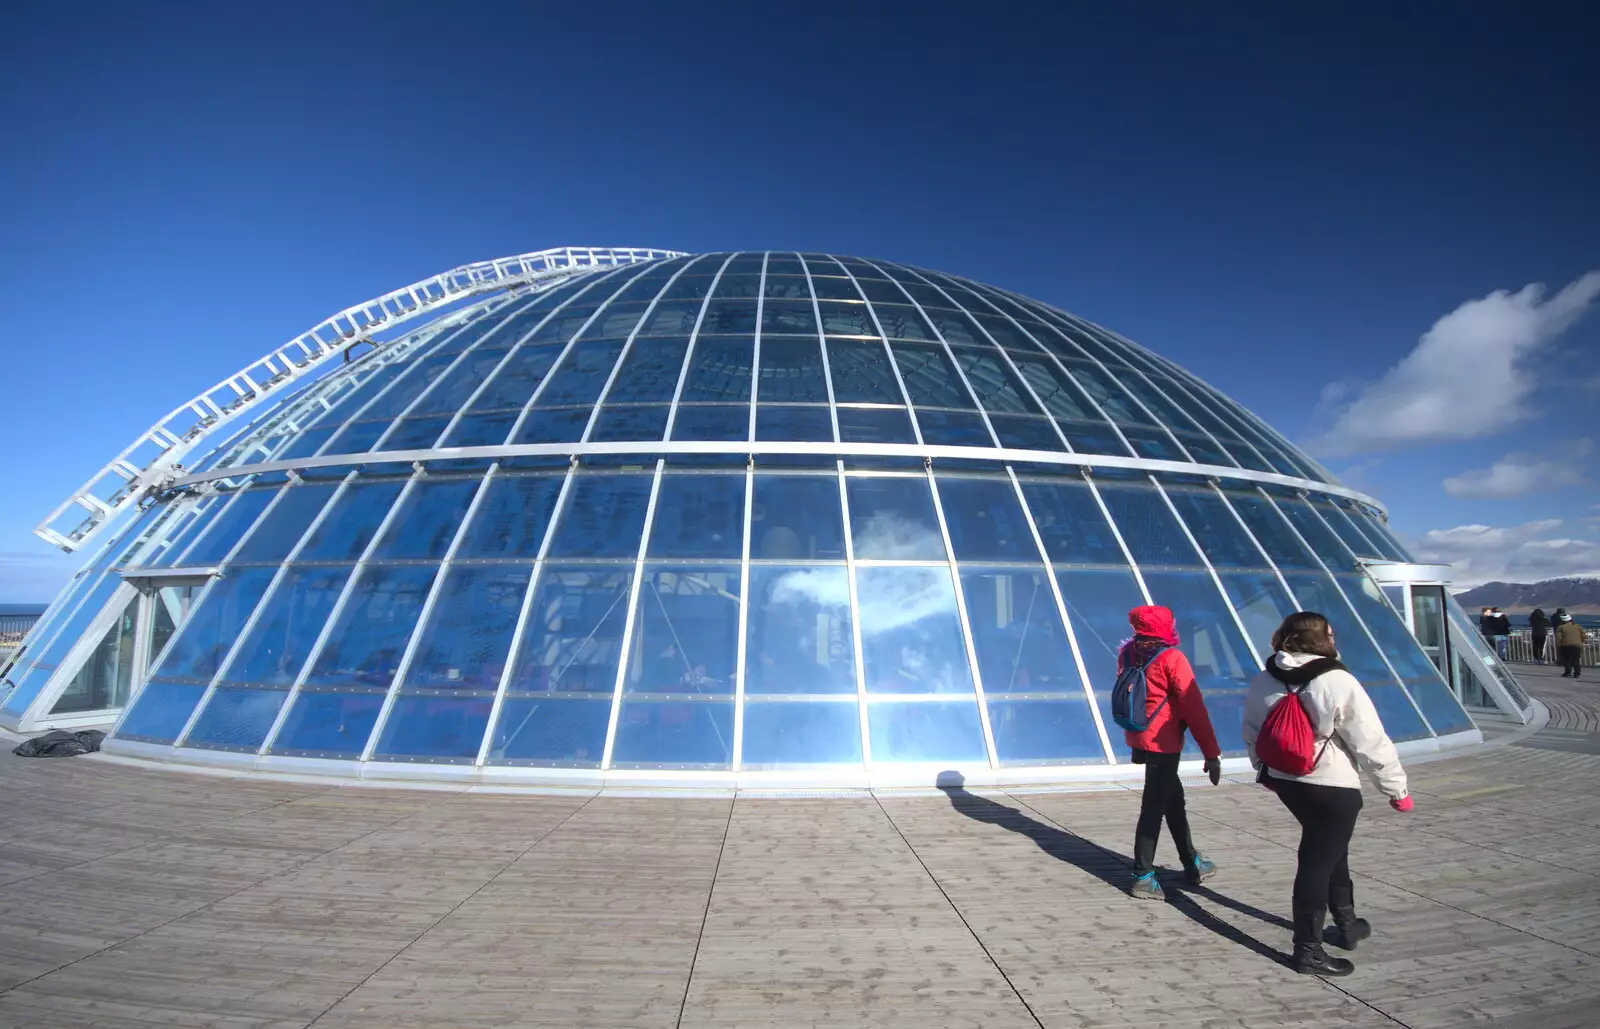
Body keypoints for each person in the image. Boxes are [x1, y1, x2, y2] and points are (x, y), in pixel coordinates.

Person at [1243, 611, 1412, 977]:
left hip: (1287, 782)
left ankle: (1347, 924)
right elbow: (1370, 740)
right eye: (1331, 635)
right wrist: (1396, 789)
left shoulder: (1263, 679)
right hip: (1331, 785)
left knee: (1329, 847)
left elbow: (1252, 732)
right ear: (1322, 639)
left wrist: (1265, 769)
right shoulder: (1337, 679)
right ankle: (1308, 950)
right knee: (1316, 861)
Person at [1119, 604, 1224, 901]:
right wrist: (1211, 753)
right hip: (1164, 742)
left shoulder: (1127, 653)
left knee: (1172, 800)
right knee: (1153, 806)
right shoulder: (1172, 658)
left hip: (1139, 734)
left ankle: (1192, 861)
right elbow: (1194, 708)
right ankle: (1142, 875)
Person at [1555, 610, 1585, 679]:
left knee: (1566, 659)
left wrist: (1558, 644)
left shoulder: (1560, 627)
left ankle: (1568, 672)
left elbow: (1558, 637)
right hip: (1577, 645)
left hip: (1565, 645)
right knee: (1576, 660)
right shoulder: (1577, 626)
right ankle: (1577, 673)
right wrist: (1581, 641)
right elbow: (1583, 635)